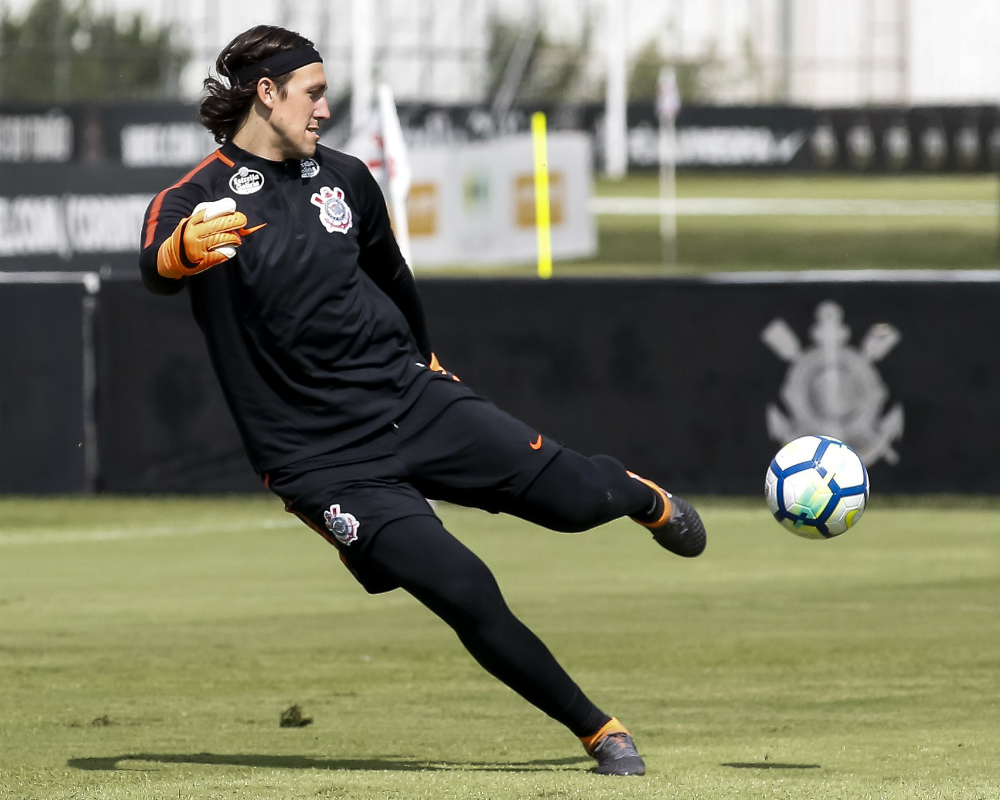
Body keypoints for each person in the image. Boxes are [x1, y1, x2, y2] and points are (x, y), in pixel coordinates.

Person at [138, 25, 706, 777]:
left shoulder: (345, 179)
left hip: (413, 399)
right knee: (462, 586)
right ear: (266, 93)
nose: (325, 109)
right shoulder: (196, 197)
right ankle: (601, 732)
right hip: (322, 463)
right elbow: (155, 262)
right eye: (313, 93)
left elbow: (395, 278)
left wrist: (428, 358)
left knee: (579, 502)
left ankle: (643, 498)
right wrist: (180, 252)